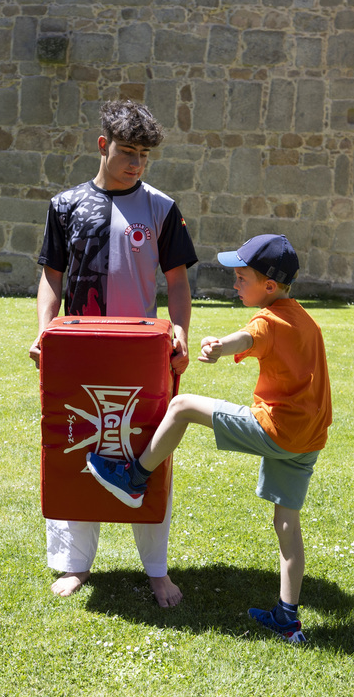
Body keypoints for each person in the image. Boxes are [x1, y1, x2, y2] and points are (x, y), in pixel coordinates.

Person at [87, 234, 331, 642]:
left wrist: (219, 347)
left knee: (182, 406)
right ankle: (288, 620)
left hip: (278, 430)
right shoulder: (306, 319)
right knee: (286, 524)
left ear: (269, 286)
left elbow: (249, 338)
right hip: (309, 437)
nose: (235, 285)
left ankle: (133, 477)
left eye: (241, 278)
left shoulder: (267, 321)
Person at [29, 99, 197, 608]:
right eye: (128, 152)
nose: (136, 164)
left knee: (148, 454)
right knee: (77, 446)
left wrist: (181, 332)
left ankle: (157, 571)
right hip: (78, 350)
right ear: (103, 146)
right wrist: (45, 333)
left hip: (141, 355)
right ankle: (73, 565)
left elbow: (178, 282)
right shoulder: (64, 205)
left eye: (144, 156)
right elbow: (49, 279)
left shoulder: (162, 209)